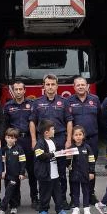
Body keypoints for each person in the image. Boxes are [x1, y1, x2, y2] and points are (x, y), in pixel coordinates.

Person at [30, 74, 69, 205]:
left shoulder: (64, 102)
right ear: (44, 86)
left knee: (61, 170)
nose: (50, 87)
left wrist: (68, 140)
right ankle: (43, 201)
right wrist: (34, 140)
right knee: (43, 171)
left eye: (53, 84)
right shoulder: (37, 102)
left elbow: (69, 121)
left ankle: (62, 199)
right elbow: (32, 122)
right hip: (43, 141)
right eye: (48, 84)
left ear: (57, 86)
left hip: (60, 139)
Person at [65, 76, 101, 202]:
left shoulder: (95, 99)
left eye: (83, 84)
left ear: (87, 86)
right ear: (74, 87)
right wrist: (69, 140)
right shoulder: (68, 101)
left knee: (91, 166)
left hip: (92, 139)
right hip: (76, 142)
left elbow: (100, 118)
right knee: (73, 167)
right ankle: (73, 198)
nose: (80, 87)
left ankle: (90, 194)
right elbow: (67, 121)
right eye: (78, 85)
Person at [3, 81, 37, 208]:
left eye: (20, 89)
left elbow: (35, 122)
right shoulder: (7, 106)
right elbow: (5, 125)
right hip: (14, 142)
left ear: (24, 90)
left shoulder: (31, 104)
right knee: (13, 172)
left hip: (28, 140)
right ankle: (14, 201)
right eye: (16, 89)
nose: (18, 91)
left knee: (32, 171)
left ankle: (35, 198)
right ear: (13, 91)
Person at [34, 120, 65, 214]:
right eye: (52, 129)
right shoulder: (40, 143)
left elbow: (56, 154)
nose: (54, 130)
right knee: (44, 193)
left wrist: (62, 153)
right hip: (45, 174)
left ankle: (59, 209)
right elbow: (39, 155)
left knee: (57, 193)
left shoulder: (53, 141)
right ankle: (43, 210)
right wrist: (54, 154)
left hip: (54, 172)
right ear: (46, 132)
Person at [67, 125, 95, 214]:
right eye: (76, 135)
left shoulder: (87, 147)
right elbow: (67, 162)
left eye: (80, 134)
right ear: (72, 137)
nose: (78, 136)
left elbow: (91, 160)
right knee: (75, 192)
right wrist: (67, 158)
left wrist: (91, 172)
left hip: (85, 174)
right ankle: (76, 208)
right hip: (74, 174)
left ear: (83, 135)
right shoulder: (70, 148)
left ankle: (86, 207)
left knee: (86, 191)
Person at [1, 128, 27, 214]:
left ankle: (3, 208)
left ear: (15, 139)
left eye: (12, 138)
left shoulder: (19, 149)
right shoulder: (3, 149)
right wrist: (2, 171)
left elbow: (23, 161)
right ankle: (13, 205)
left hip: (16, 175)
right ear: (5, 138)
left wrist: (22, 173)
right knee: (11, 190)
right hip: (6, 175)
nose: (10, 139)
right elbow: (2, 162)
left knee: (10, 190)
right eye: (8, 137)